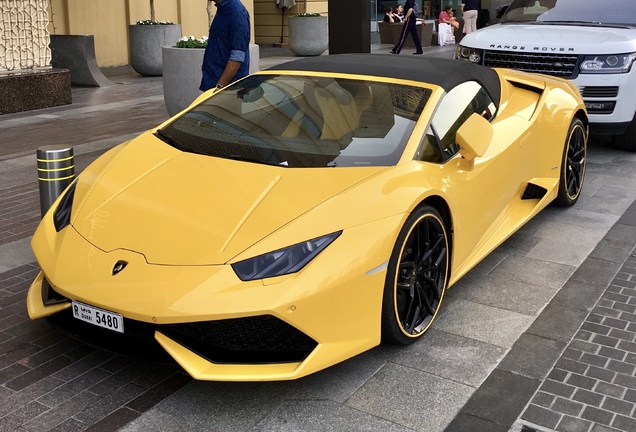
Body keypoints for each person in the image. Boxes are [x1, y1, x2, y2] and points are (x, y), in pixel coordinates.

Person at [200, 0, 250, 92]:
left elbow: (237, 56)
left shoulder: (237, 12)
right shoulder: (223, 9)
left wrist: (219, 87)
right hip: (212, 83)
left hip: (228, 89)